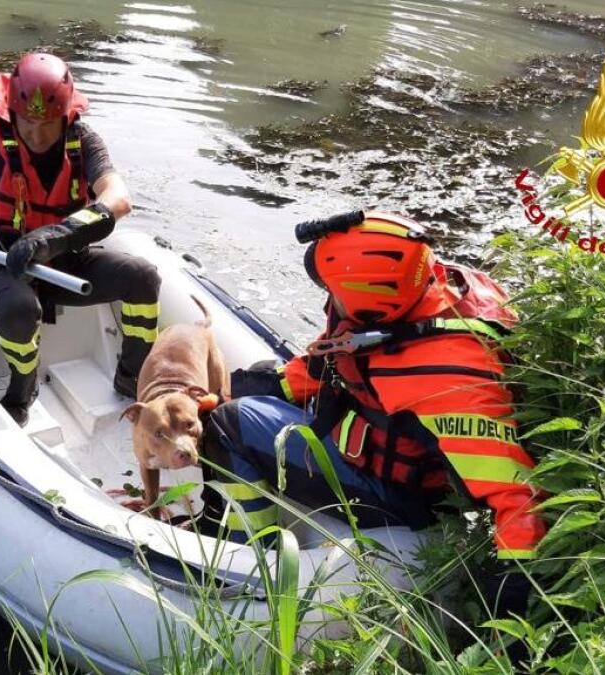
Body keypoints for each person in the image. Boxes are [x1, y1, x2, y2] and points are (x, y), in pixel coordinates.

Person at [201, 209, 547, 618]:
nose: (331, 300)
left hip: (403, 498)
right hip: (384, 449)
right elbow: (339, 360)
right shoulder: (425, 296)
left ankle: (240, 555)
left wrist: (514, 584)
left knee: (230, 424)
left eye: (336, 292)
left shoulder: (447, 376)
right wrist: (260, 386)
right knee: (255, 383)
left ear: (368, 304)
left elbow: (517, 493)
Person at [0, 53, 160, 426]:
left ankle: (131, 378)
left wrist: (54, 238)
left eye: (49, 124)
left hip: (63, 260)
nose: (37, 135)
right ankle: (23, 388)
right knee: (18, 310)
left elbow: (117, 197)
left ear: (65, 114)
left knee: (143, 277)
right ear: (12, 112)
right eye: (27, 122)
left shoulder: (84, 140)